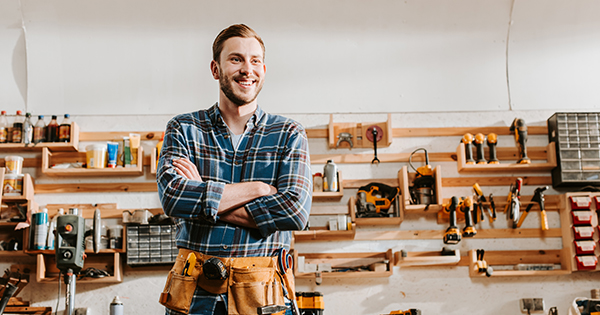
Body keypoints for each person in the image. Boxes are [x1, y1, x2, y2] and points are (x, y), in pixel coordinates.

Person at [157, 24, 312, 315]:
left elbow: (295, 211)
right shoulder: (184, 128)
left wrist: (203, 193)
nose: (247, 69)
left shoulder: (289, 133)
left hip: (265, 295)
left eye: (255, 61)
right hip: (195, 295)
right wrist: (259, 190)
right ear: (216, 69)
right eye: (236, 59)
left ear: (263, 70)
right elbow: (174, 199)